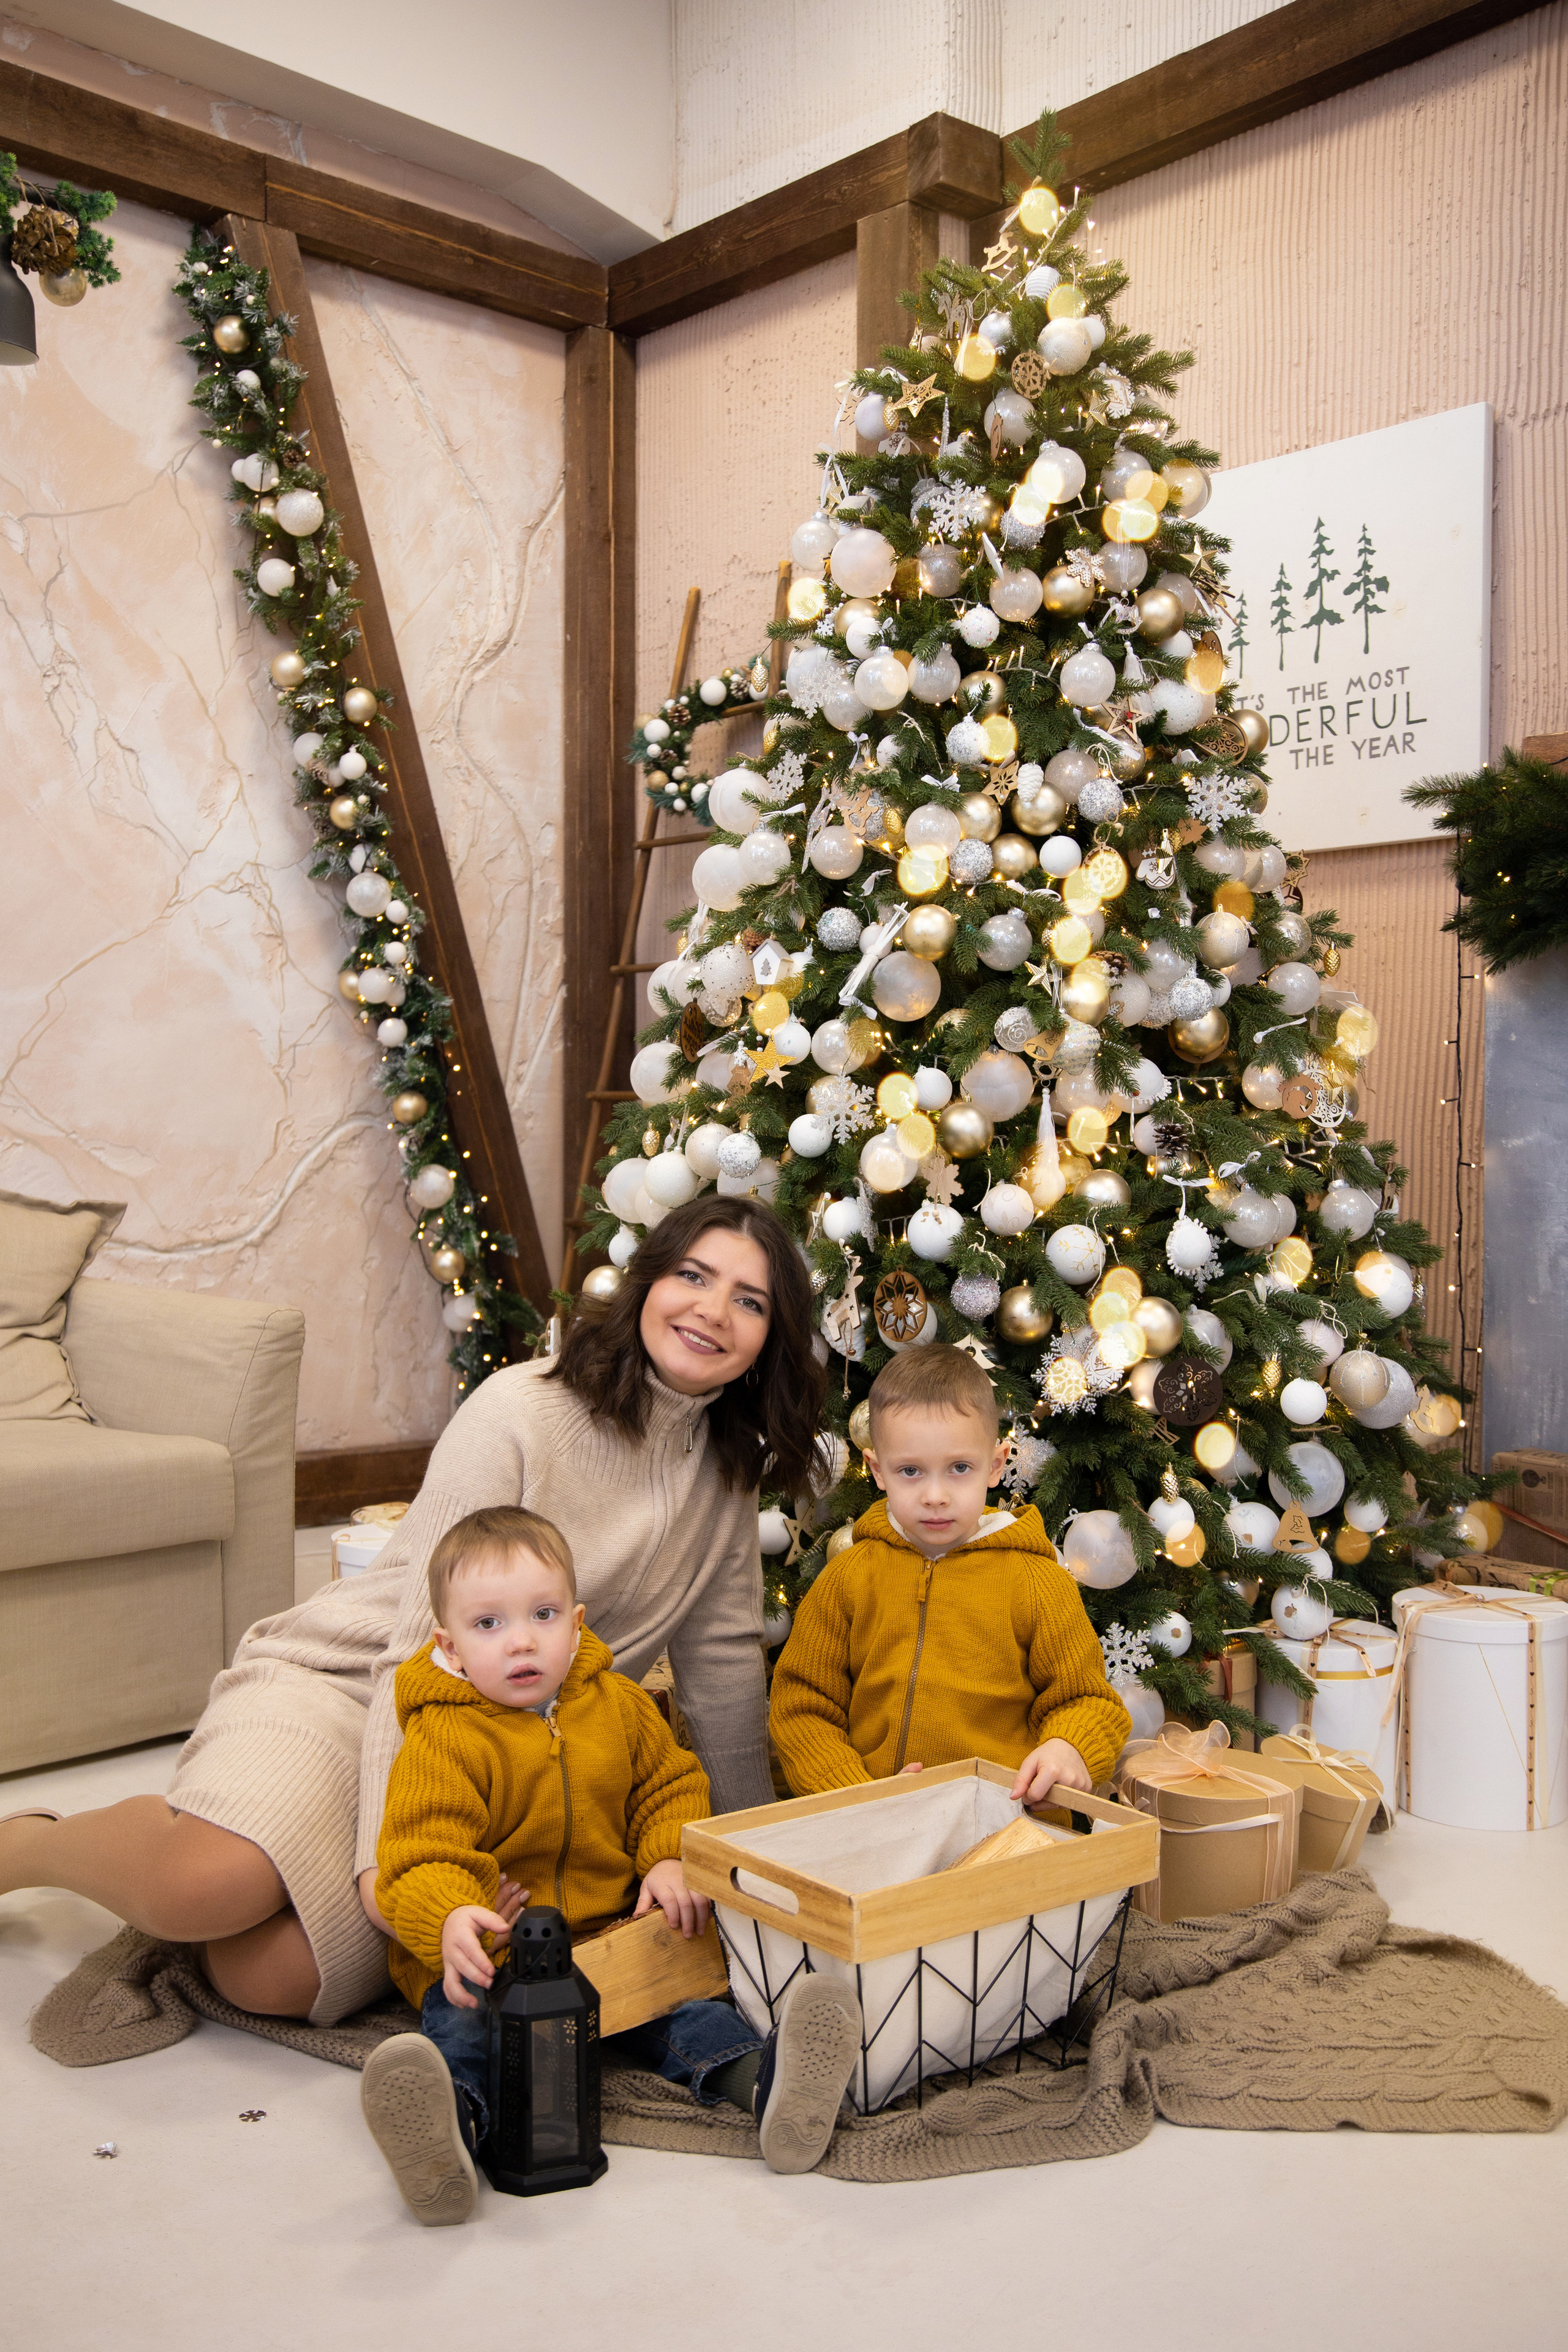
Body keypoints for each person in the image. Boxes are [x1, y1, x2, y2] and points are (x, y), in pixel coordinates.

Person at [0, 1197, 825, 2027]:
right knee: (204, 1886)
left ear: (769, 1339)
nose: (712, 1311)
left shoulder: (728, 1472)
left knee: (274, 1980)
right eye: (693, 1276)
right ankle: (35, 1842)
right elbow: (410, 1653)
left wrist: (745, 1870)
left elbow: (722, 1678)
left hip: (505, 1756)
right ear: (649, 1282)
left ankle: (247, 1865)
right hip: (356, 1685)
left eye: (749, 1302)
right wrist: (375, 1868)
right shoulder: (521, 1411)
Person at [363, 1502, 863, 2223]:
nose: (520, 1642)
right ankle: (449, 2131)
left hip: (613, 1937)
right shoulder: (444, 1740)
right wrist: (451, 1918)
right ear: (449, 1645)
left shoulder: (619, 1706)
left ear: (576, 1621)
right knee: (464, 2027)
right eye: (488, 1625)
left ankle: (769, 2088)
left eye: (542, 1614)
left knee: (689, 2011)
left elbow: (672, 1785)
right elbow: (418, 1850)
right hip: (501, 1956)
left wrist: (665, 1860)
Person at [770, 1346, 1131, 1801]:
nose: (935, 1495)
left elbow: (1088, 1700)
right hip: (877, 1824)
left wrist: (1069, 1746)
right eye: (911, 1471)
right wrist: (854, 1796)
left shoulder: (1038, 1582)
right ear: (877, 1470)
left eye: (960, 1468)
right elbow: (802, 1705)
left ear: (996, 1465)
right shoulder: (849, 1579)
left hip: (1006, 1828)